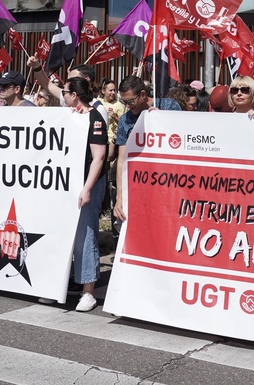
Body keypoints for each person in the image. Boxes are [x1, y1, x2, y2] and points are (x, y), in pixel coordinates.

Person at [61, 77, 108, 311]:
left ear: (75, 95)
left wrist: (87, 188)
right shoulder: (70, 116)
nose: (62, 96)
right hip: (66, 183)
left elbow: (98, 157)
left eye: (65, 92)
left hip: (87, 183)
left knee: (85, 235)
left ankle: (88, 291)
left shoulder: (94, 118)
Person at [111, 76, 179, 225]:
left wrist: (162, 119)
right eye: (124, 101)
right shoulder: (125, 120)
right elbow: (122, 161)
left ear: (142, 94)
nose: (128, 105)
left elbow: (182, 138)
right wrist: (120, 198)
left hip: (167, 184)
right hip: (139, 185)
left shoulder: (169, 106)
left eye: (130, 101)